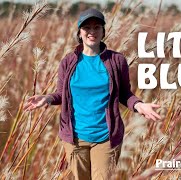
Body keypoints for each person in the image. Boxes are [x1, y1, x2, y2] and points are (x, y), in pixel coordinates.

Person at [23, 8, 162, 180]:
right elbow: (61, 94)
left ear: (103, 31)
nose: (92, 32)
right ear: (79, 32)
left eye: (97, 27)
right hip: (75, 138)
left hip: (106, 138)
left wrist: (139, 105)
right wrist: (47, 98)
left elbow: (125, 94)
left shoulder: (116, 60)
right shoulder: (69, 61)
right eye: (87, 27)